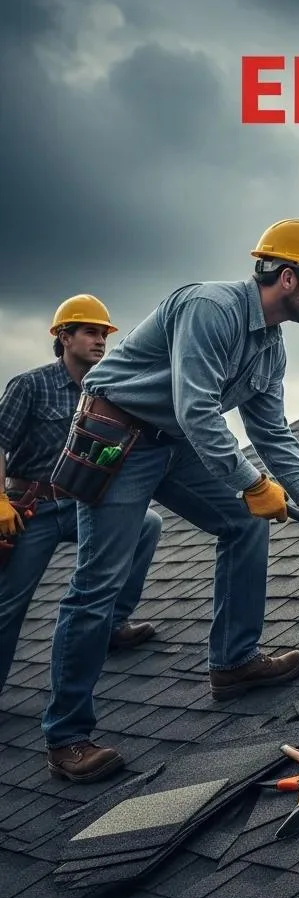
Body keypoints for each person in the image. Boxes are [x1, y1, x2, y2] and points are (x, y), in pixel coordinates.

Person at [42, 219, 299, 782]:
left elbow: (272, 430)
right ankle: (67, 738)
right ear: (287, 277)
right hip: (119, 438)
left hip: (174, 443)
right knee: (97, 584)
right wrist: (252, 484)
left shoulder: (269, 347)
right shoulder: (212, 309)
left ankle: (234, 662)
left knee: (244, 524)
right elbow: (197, 408)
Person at [0, 296, 161, 694]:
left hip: (78, 503)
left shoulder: (107, 388)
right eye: (91, 332)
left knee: (146, 525)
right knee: (8, 606)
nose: (101, 340)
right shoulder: (29, 385)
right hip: (29, 510)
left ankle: (112, 625)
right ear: (63, 337)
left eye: (104, 334)